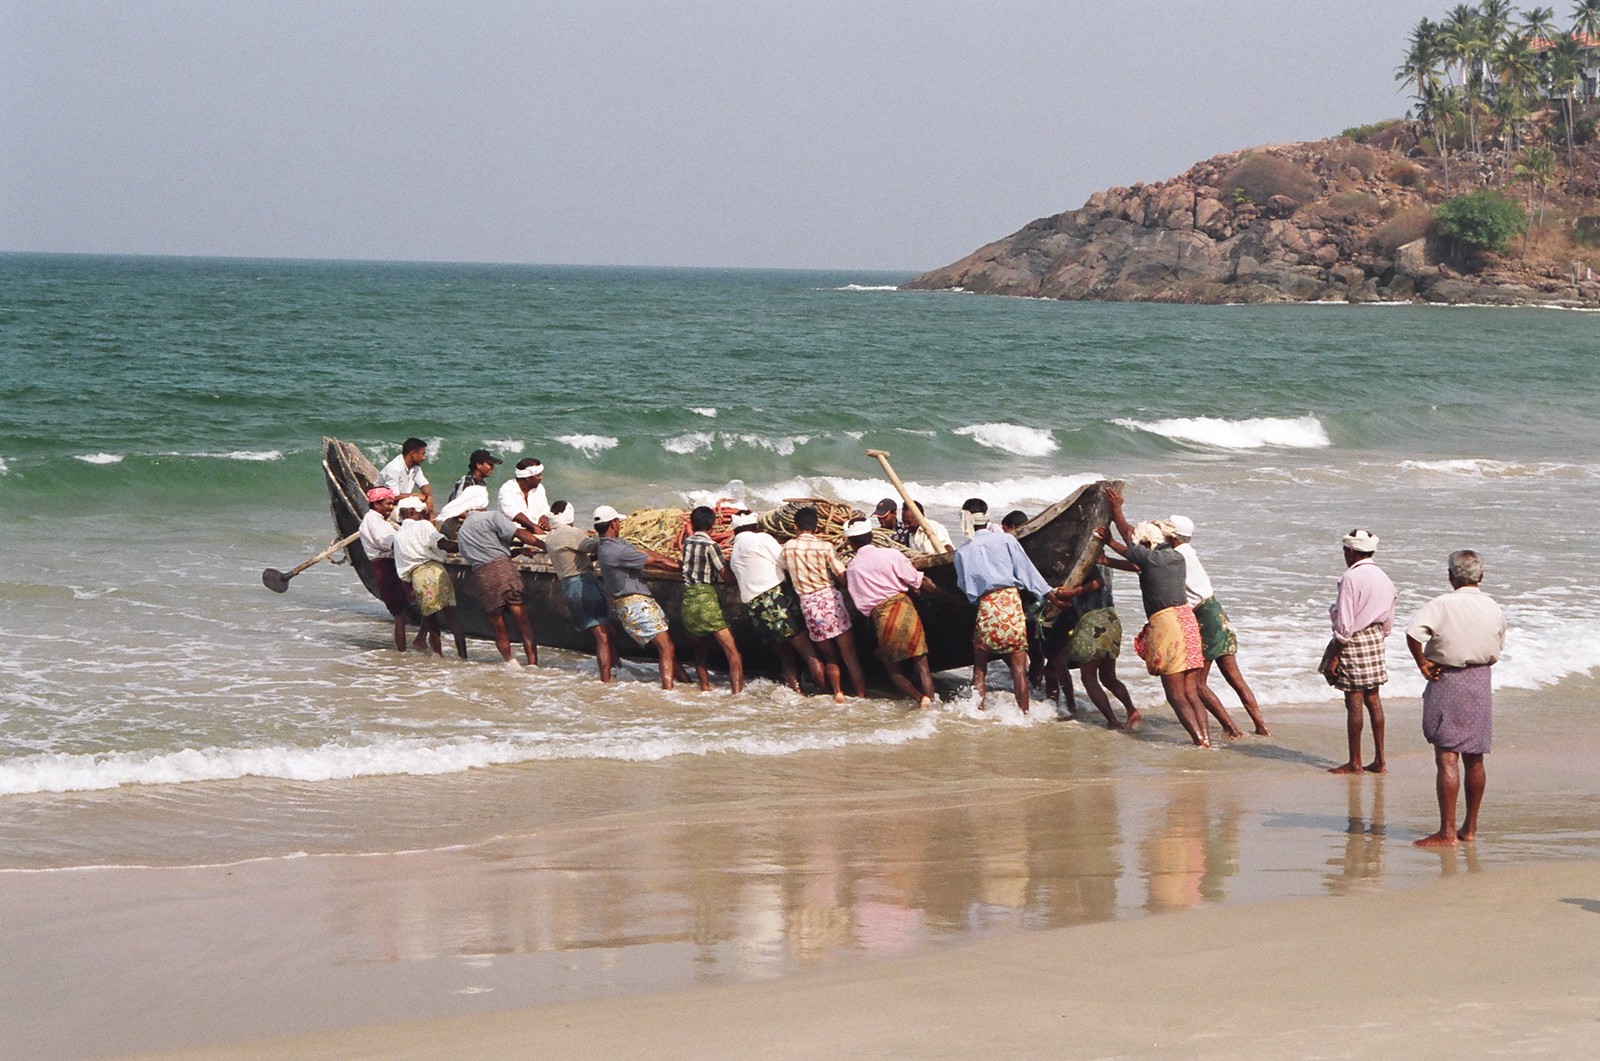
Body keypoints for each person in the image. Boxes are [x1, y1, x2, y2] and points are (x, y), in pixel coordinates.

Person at [1093, 488, 1211, 746]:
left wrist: (1114, 523)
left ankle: (1199, 742)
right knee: (1191, 691)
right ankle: (1206, 739)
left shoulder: (1151, 559)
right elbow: (1138, 563)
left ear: (1147, 545)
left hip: (1167, 625)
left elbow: (1128, 543)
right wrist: (1109, 558)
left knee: (1175, 694)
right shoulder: (1175, 558)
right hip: (1187, 621)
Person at [1406, 550, 1506, 847]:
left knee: (1447, 756)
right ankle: (1470, 829)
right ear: (1481, 576)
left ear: (1450, 577)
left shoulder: (1442, 604)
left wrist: (1422, 662)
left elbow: (1413, 633)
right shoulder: (1493, 607)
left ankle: (1447, 832)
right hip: (1480, 680)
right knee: (1475, 758)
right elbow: (1498, 644)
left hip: (1448, 677)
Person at [1167, 514, 1270, 736]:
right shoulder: (1188, 552)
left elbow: (1142, 560)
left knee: (1197, 685)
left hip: (1206, 619)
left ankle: (1231, 728)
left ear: (1172, 535)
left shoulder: (1175, 555)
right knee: (1235, 678)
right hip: (1218, 614)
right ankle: (1261, 727)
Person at [954, 518, 1067, 715]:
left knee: (980, 669)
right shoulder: (1007, 540)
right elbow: (1028, 574)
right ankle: (1023, 715)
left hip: (987, 607)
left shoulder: (963, 551)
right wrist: (1053, 598)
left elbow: (966, 588)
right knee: (1019, 669)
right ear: (987, 517)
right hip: (1011, 605)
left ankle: (977, 712)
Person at [1319, 529, 1397, 774]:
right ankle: (1380, 760)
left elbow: (1345, 622)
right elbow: (1389, 618)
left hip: (1353, 639)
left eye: (1345, 551)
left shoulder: (1350, 578)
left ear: (1351, 551)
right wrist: (1380, 633)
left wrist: (1334, 655)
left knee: (1353, 702)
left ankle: (1354, 762)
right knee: (1373, 700)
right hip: (1375, 637)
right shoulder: (1384, 577)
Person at [843, 517, 942, 709]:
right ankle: (932, 703)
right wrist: (950, 598)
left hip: (883, 618)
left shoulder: (853, 569)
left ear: (851, 543)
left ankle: (919, 698)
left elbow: (862, 607)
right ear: (871, 536)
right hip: (905, 609)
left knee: (893, 669)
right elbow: (919, 581)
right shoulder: (891, 554)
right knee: (922, 666)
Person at [729, 512, 825, 693]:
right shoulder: (762, 538)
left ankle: (796, 693)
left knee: (786, 656)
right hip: (775, 600)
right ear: (756, 527)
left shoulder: (735, 552)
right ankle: (827, 694)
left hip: (754, 608)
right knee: (810, 654)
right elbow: (786, 560)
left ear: (735, 532)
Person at [593, 504, 687, 689]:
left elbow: (643, 552)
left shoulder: (605, 546)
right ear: (613, 524)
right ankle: (668, 691)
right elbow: (657, 561)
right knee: (666, 648)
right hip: (636, 604)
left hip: (628, 605)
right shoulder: (618, 551)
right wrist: (682, 566)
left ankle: (685, 682)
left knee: (666, 646)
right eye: (618, 522)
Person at [780, 505, 866, 703]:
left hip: (809, 606)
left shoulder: (787, 549)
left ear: (795, 527)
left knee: (829, 657)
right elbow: (842, 577)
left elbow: (784, 570)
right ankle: (861, 695)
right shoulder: (826, 547)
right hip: (829, 600)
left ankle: (837, 692)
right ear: (817, 528)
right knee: (849, 655)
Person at [450, 485, 542, 667]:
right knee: (523, 623)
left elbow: (486, 554)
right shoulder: (492, 516)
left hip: (483, 579)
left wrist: (518, 551)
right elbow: (520, 533)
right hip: (505, 573)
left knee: (499, 629)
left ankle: (510, 662)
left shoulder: (462, 532)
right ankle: (532, 664)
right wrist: (544, 545)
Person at [541, 499, 616, 682]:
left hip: (568, 587)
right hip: (583, 584)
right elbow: (601, 546)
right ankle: (606, 681)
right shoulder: (572, 533)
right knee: (603, 636)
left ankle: (616, 668)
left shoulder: (550, 536)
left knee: (607, 631)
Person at [680, 506, 745, 693]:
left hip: (688, 599)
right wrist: (742, 580)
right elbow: (724, 574)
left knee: (699, 650)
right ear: (713, 525)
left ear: (692, 523)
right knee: (732, 652)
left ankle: (705, 687)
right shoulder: (711, 546)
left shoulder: (686, 542)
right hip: (705, 598)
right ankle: (737, 693)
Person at [393, 496, 466, 659]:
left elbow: (402, 569)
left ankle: (438, 656)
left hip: (418, 577)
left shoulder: (398, 536)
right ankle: (463, 656)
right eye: (421, 512)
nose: (424, 515)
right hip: (436, 571)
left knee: (431, 621)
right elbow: (441, 544)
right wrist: (462, 546)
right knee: (453, 618)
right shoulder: (424, 526)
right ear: (412, 512)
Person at [359, 487, 410, 652]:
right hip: (385, 568)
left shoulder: (381, 520)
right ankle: (402, 652)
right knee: (400, 614)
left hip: (392, 565)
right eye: (388, 504)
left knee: (409, 606)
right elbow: (387, 542)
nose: (391, 507)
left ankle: (415, 643)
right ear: (376, 504)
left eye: (392, 504)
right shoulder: (372, 521)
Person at [872, 497, 955, 555]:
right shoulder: (911, 535)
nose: (905, 526)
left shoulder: (933, 527)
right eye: (904, 522)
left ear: (918, 518)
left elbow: (948, 548)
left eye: (908, 522)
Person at [375, 437, 432, 515]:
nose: (424, 458)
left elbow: (424, 485)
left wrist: (429, 497)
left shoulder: (415, 467)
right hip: (386, 505)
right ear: (413, 454)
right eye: (423, 454)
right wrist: (415, 495)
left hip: (402, 502)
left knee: (428, 510)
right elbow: (393, 497)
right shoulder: (394, 468)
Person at [498, 458, 552, 534]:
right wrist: (534, 527)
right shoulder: (507, 489)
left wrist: (544, 517)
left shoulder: (540, 488)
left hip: (535, 530)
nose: (541, 478)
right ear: (527, 477)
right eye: (538, 475)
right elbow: (513, 513)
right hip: (513, 532)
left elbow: (544, 508)